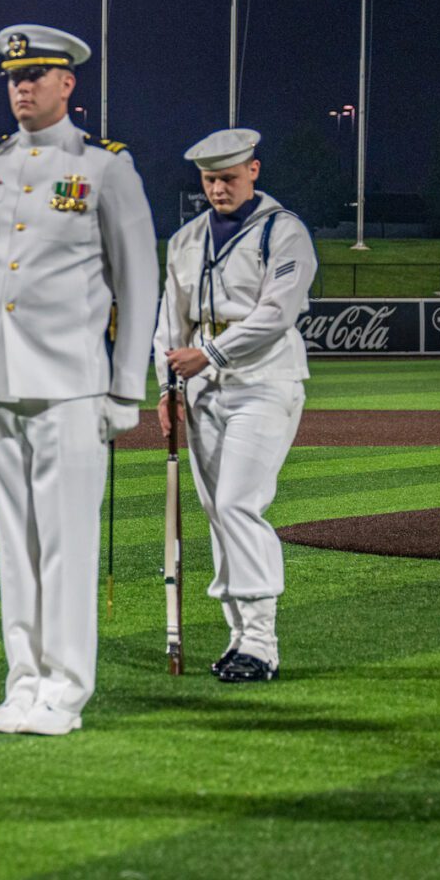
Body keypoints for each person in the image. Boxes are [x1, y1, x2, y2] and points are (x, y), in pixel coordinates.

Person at [0, 24, 159, 736]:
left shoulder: (105, 168)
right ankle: (23, 682)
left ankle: (65, 690)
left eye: (37, 75)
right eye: (14, 77)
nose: (22, 87)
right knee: (16, 547)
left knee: (67, 544)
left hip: (71, 381)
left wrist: (128, 386)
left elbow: (139, 281)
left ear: (69, 83)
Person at [153, 128, 317, 684]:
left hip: (264, 379)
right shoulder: (186, 239)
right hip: (200, 385)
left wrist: (209, 353)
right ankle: (238, 638)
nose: (218, 188)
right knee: (218, 512)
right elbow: (167, 322)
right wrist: (166, 389)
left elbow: (276, 315)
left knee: (239, 504)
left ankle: (262, 642)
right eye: (209, 179)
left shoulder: (284, 232)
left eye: (228, 177)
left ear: (254, 170)